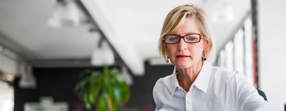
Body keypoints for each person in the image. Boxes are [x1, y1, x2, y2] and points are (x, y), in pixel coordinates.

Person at [153, 4, 267, 111]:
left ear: (206, 45)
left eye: (192, 38)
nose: (182, 46)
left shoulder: (233, 84)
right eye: (172, 39)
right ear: (165, 45)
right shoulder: (161, 88)